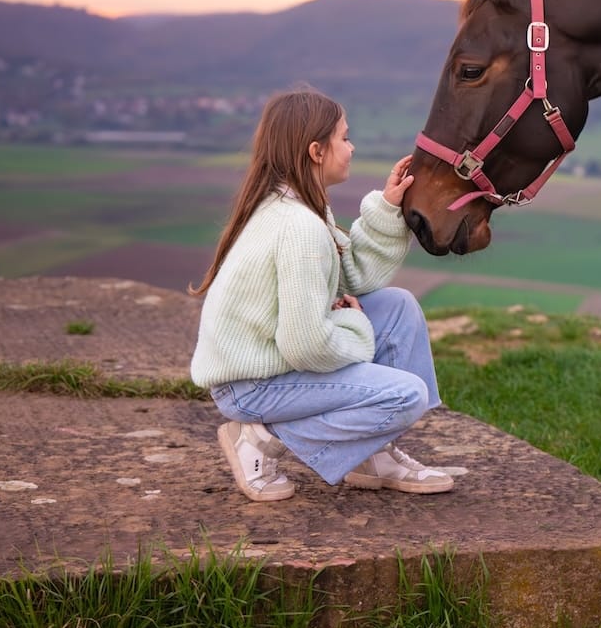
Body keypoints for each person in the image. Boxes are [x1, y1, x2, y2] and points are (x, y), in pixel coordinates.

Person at [189, 87, 453, 502]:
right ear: (316, 151)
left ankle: (370, 456)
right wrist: (355, 325)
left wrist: (388, 207)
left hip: (271, 368)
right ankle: (260, 439)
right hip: (254, 386)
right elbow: (306, 346)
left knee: (397, 306)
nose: (352, 147)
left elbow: (351, 278)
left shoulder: (295, 206)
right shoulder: (299, 227)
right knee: (406, 395)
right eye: (344, 138)